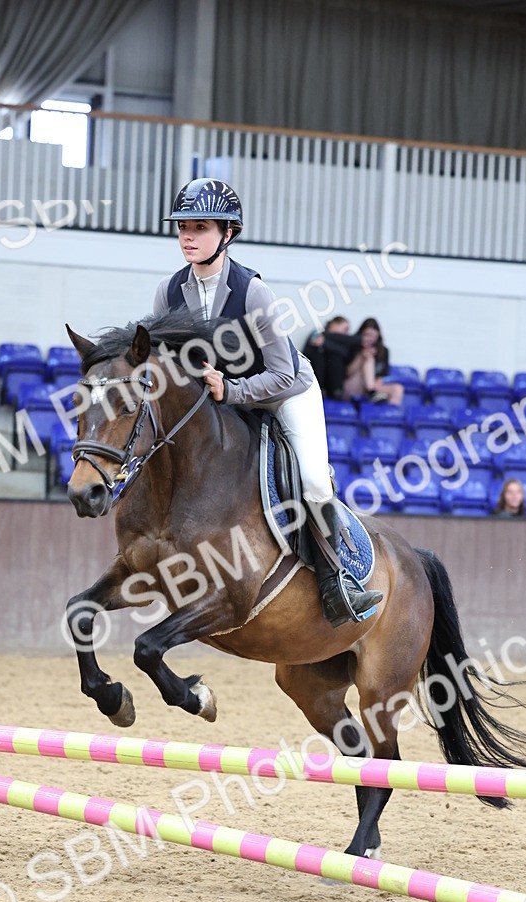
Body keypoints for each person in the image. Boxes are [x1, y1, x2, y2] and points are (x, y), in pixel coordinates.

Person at [152, 178, 382, 626]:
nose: (187, 235)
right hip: (221, 402)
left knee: (314, 482)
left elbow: (283, 373)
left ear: (228, 234)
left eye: (200, 227)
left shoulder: (253, 292)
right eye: (183, 226)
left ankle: (339, 583)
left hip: (282, 394)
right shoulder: (168, 292)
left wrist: (232, 391)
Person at [343, 318, 403, 406]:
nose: (370, 339)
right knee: (368, 359)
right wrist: (361, 357)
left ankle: (387, 416)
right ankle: (372, 392)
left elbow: (381, 376)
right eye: (367, 335)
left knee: (398, 389)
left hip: (372, 386)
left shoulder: (384, 351)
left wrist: (376, 384)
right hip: (353, 385)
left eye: (373, 336)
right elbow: (347, 373)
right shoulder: (353, 347)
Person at [303, 316, 355, 399]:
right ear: (334, 325)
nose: (346, 333)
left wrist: (325, 343)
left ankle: (336, 391)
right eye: (345, 329)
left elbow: (345, 353)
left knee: (335, 358)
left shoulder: (343, 340)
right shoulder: (317, 333)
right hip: (315, 376)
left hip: (334, 379)